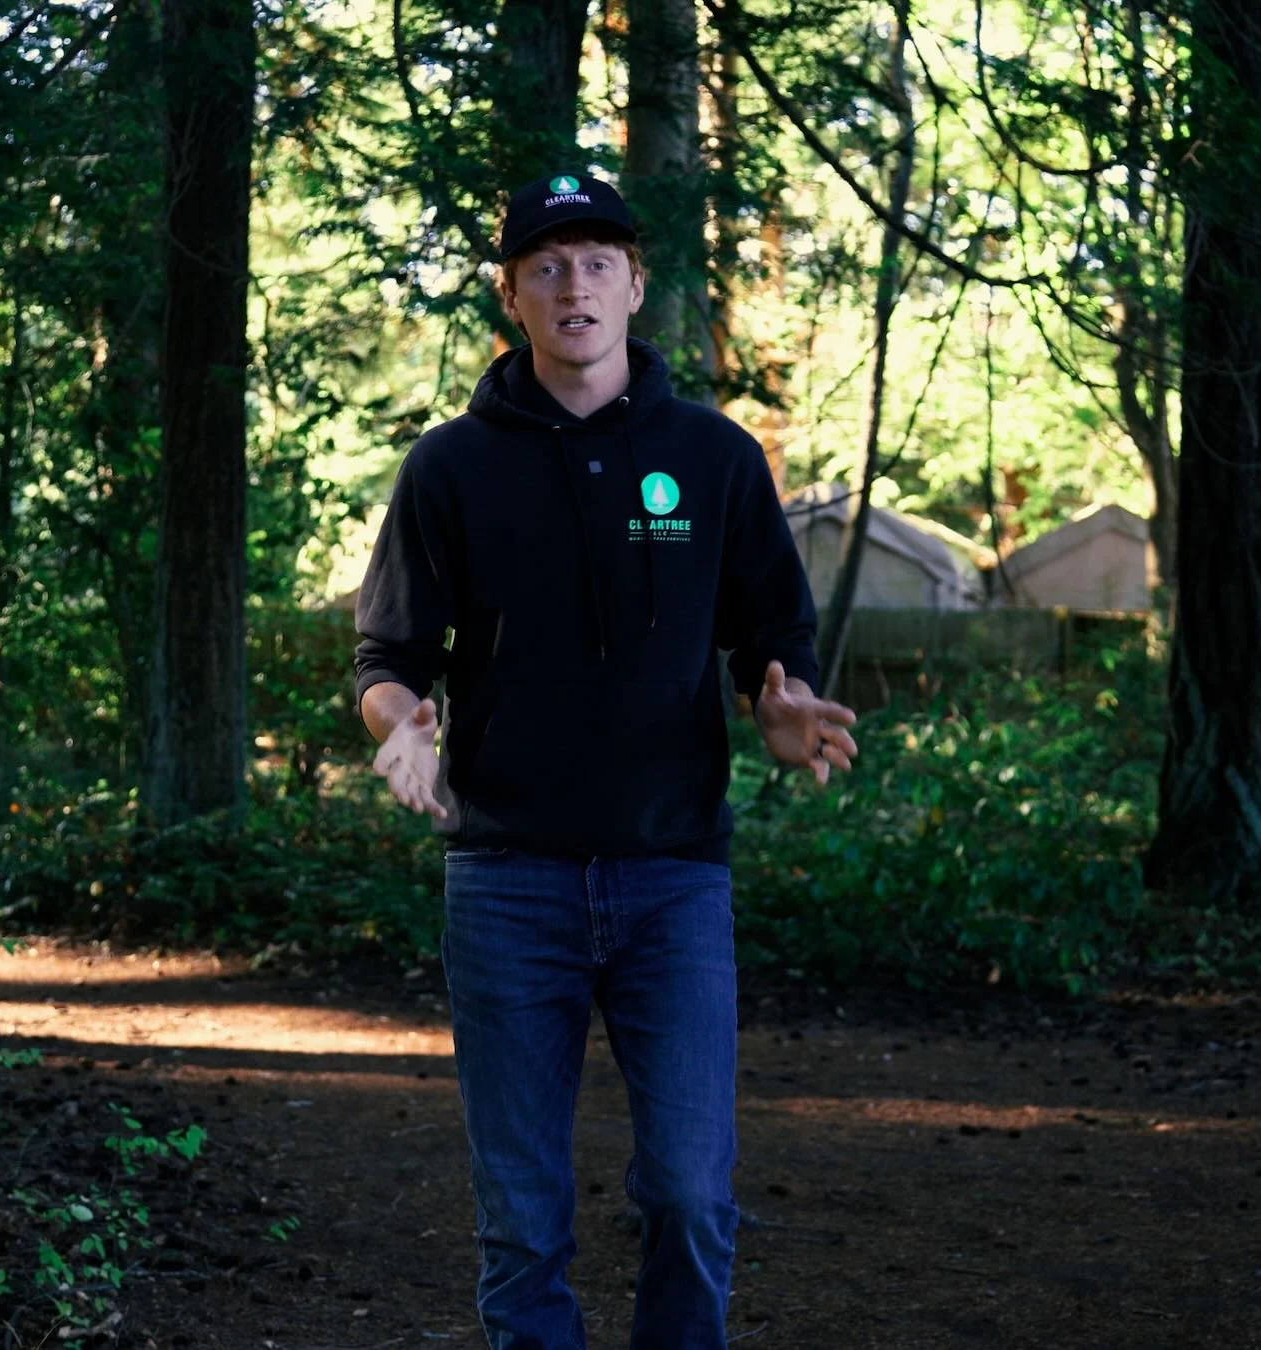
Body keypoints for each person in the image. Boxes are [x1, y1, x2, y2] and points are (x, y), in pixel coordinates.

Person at [352, 171, 859, 1350]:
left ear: (634, 284)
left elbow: (772, 635)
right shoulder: (450, 466)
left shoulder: (714, 457)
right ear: (511, 296)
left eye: (595, 262)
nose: (571, 284)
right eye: (545, 265)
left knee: (689, 1194)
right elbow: (389, 656)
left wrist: (778, 707)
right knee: (522, 1221)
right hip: (505, 879)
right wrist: (400, 724)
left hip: (672, 876)